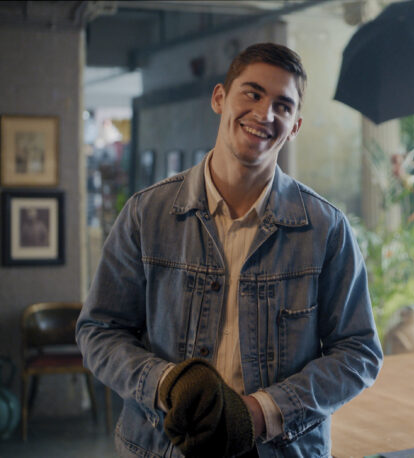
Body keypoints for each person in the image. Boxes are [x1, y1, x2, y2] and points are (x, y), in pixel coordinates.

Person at [77, 43, 383, 458]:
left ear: (294, 126)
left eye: (282, 106)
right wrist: (167, 384)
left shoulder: (325, 228)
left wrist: (263, 411)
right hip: (162, 447)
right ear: (220, 98)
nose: (265, 114)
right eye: (252, 93)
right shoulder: (146, 214)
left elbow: (358, 352)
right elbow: (99, 330)